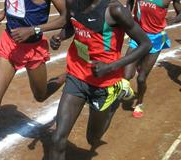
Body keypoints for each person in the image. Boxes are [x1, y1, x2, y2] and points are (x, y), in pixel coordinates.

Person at [48, 0, 152, 159]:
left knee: (93, 138)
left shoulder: (115, 10)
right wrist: (59, 37)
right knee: (57, 139)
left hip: (104, 84)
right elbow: (71, 25)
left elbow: (145, 44)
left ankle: (115, 97)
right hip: (77, 74)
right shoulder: (72, 2)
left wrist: (110, 67)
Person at [0, 0, 67, 159]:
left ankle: (68, 75)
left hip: (33, 48)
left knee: (41, 95)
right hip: (10, 45)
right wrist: (3, 12)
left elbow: (66, 17)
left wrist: (33, 30)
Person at [125, 0, 181, 118]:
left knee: (141, 78)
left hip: (155, 39)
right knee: (127, 74)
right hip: (138, 35)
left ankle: (139, 103)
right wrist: (126, 17)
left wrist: (174, 20)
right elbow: (129, 2)